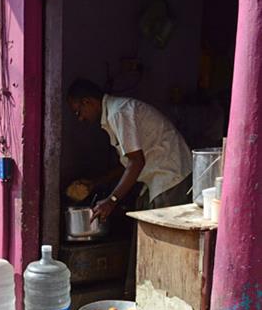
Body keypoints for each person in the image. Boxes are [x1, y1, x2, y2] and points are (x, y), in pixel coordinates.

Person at [67, 79, 192, 222]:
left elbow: (136, 162)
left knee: (163, 235)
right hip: (161, 176)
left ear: (87, 102)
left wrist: (112, 200)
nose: (81, 118)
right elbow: (128, 163)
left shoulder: (118, 113)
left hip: (171, 176)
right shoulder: (114, 113)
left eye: (78, 112)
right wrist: (96, 183)